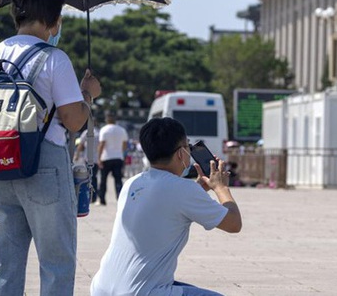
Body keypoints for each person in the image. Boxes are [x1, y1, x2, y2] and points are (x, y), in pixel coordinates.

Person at [0, 0, 101, 295]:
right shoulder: (54, 58)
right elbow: (74, 120)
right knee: (56, 260)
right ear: (55, 21)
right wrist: (88, 93)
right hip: (44, 165)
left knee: (4, 262)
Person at [90, 117, 242, 296]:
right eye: (187, 146)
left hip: (102, 288)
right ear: (180, 154)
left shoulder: (133, 182)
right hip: (141, 292)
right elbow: (234, 224)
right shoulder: (184, 190)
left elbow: (166, 204)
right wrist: (221, 187)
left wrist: (198, 188)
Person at [97, 112, 128, 204]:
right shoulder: (122, 130)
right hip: (118, 157)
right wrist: (121, 152)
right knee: (118, 179)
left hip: (106, 157)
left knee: (103, 179)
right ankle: (120, 197)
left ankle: (102, 199)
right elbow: (125, 144)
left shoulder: (104, 130)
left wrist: (98, 158)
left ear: (106, 119)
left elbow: (102, 145)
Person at [74, 121, 101, 203]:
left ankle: (89, 196)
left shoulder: (86, 132)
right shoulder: (99, 133)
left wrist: (77, 155)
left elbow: (81, 145)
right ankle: (94, 196)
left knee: (88, 178)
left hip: (88, 158)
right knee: (94, 177)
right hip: (97, 159)